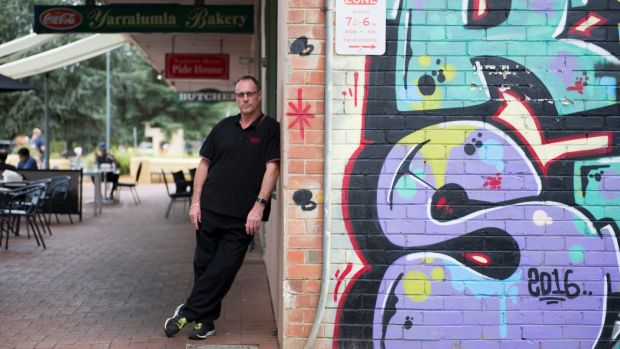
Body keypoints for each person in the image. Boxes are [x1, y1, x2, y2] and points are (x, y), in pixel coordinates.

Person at [163, 76, 280, 340]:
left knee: (224, 269)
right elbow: (204, 164)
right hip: (210, 211)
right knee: (203, 266)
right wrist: (195, 203)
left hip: (242, 218)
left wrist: (258, 207)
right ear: (236, 97)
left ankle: (187, 312)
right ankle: (205, 322)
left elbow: (272, 169)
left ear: (259, 95)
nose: (245, 99)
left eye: (250, 94)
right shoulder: (223, 126)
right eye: (240, 94)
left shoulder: (271, 129)